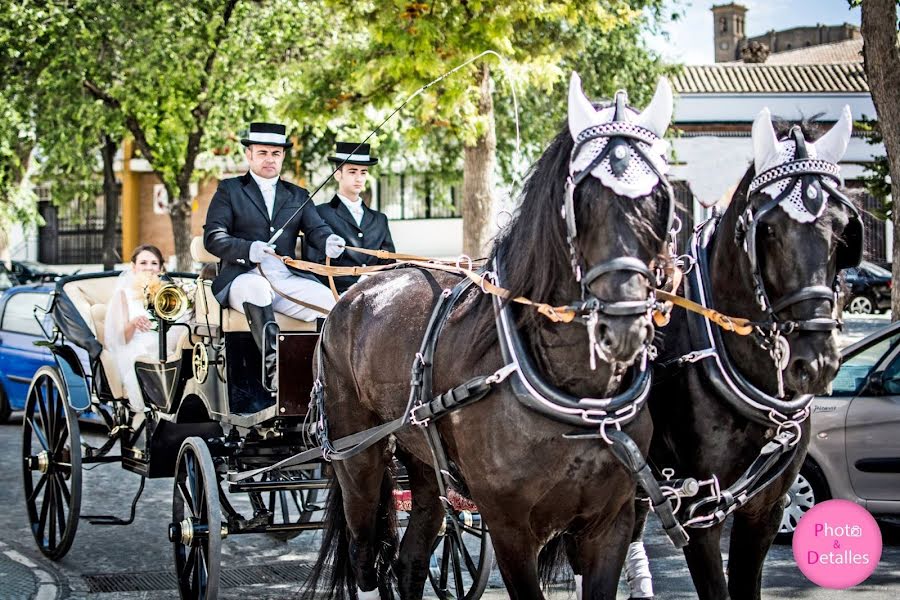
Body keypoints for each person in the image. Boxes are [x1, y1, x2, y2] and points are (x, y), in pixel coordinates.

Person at [203, 122, 346, 390]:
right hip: (242, 276)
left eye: (276, 153)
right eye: (263, 153)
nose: (270, 159)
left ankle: (329, 375)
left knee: (331, 301)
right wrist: (247, 249)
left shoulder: (297, 194)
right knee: (258, 289)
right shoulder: (230, 190)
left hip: (285, 277)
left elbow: (316, 228)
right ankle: (275, 372)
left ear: (283, 157)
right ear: (249, 155)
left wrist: (329, 241)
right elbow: (213, 237)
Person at [305, 141, 395, 294]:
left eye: (363, 172)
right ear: (338, 174)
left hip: (378, 292)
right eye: (352, 172)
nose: (359, 178)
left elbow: (389, 263)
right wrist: (355, 283)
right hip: (336, 295)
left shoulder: (380, 219)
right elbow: (315, 264)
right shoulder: (320, 213)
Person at [104, 244, 183, 413]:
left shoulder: (168, 293)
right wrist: (133, 323)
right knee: (147, 356)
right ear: (134, 267)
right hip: (134, 347)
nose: (149, 268)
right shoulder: (124, 294)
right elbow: (120, 339)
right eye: (143, 263)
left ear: (161, 267)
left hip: (165, 343)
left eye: (154, 263)